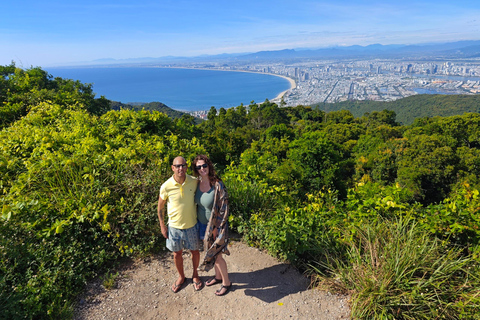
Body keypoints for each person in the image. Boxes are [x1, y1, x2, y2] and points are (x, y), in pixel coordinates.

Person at [157, 156, 203, 293]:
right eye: (177, 166)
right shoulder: (166, 186)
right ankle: (181, 277)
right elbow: (160, 207)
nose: (180, 168)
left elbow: (207, 184)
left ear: (187, 167)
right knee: (177, 254)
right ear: (172, 168)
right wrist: (162, 225)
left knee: (195, 251)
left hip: (192, 225)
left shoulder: (194, 182)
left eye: (183, 165)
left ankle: (195, 275)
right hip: (174, 228)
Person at [192, 154, 232, 296]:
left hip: (216, 227)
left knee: (218, 255)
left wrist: (217, 227)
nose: (202, 168)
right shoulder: (196, 183)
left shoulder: (217, 184)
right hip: (202, 225)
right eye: (199, 167)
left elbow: (224, 208)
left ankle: (226, 283)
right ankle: (218, 276)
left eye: (204, 165)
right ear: (196, 169)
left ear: (209, 166)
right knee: (211, 253)